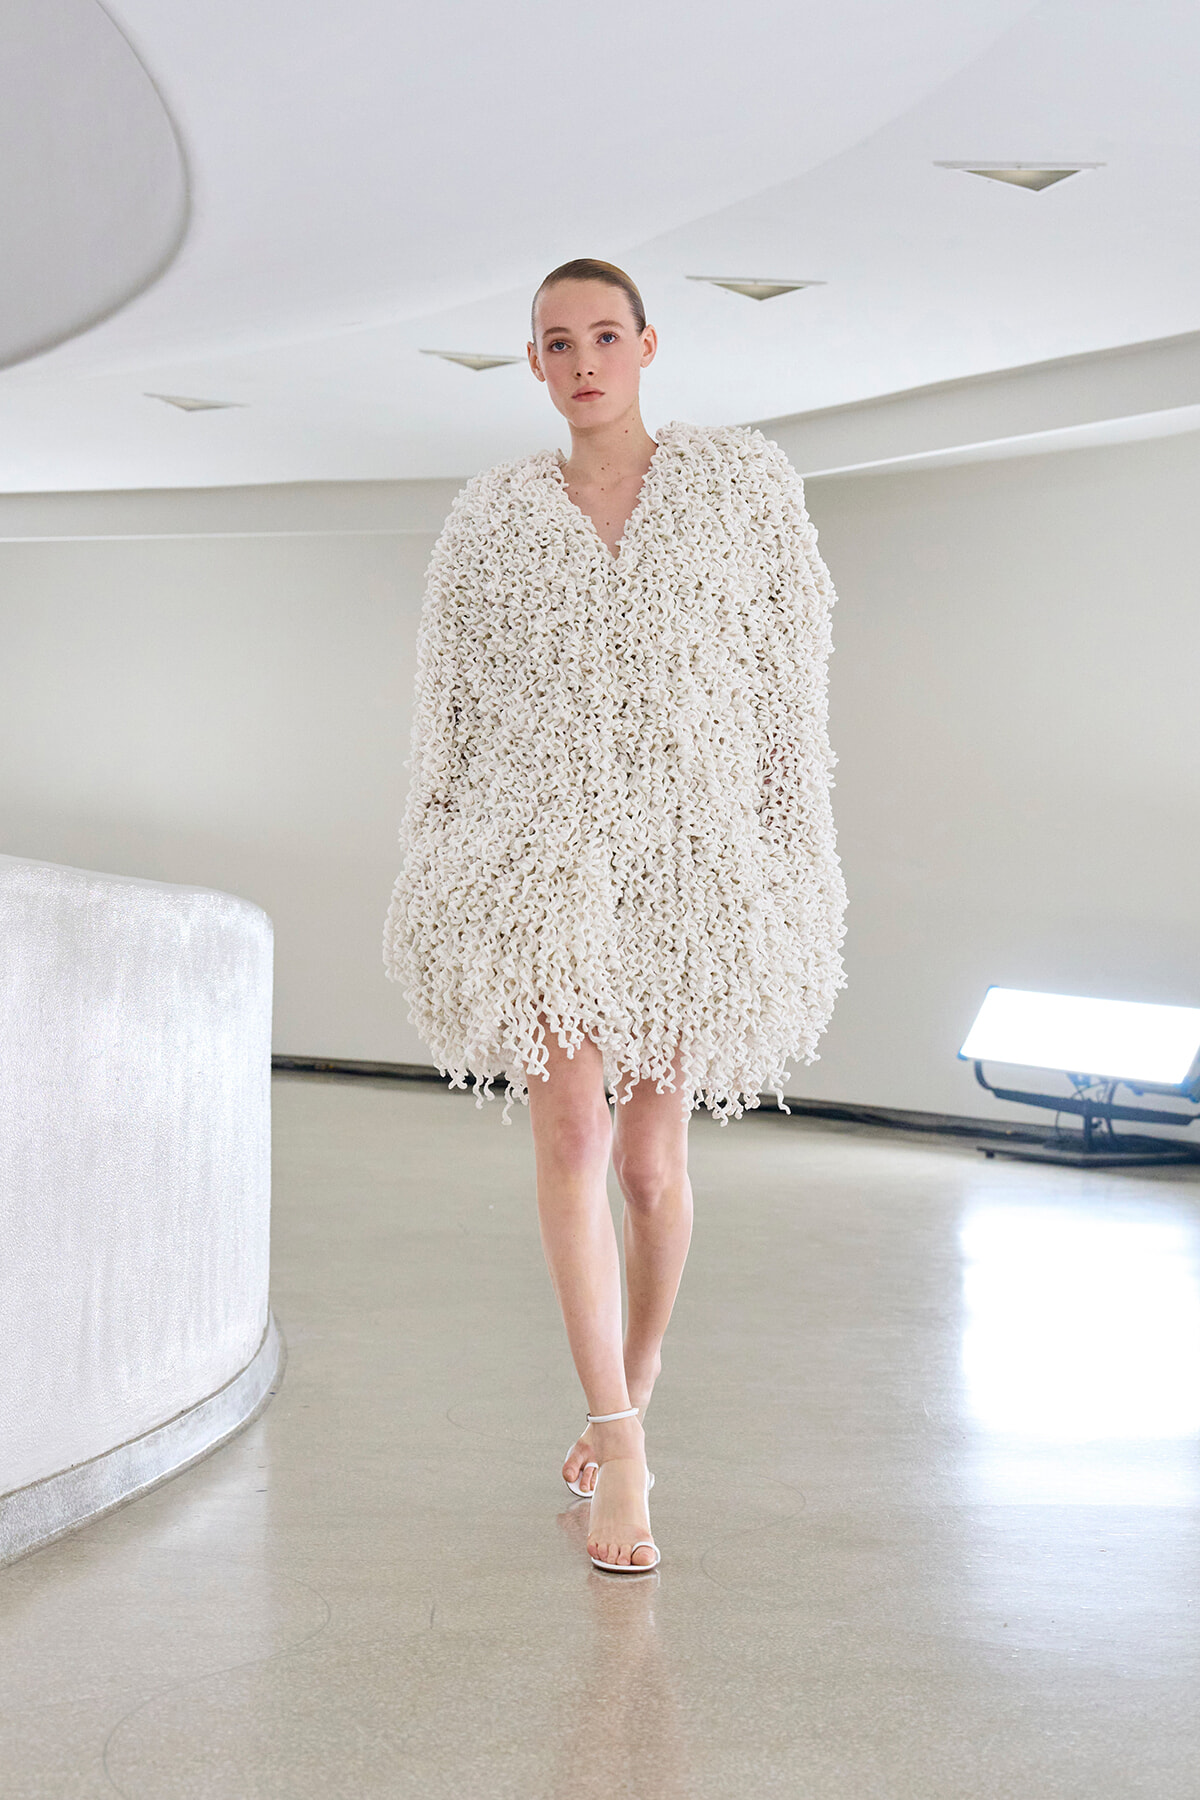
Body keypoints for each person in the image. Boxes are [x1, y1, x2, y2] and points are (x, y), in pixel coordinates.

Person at [384, 258, 846, 1571]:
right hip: (528, 856)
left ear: (646, 345)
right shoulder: (491, 520)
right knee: (573, 1130)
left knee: (651, 1170)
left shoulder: (740, 497)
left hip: (684, 866)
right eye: (554, 341)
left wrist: (781, 866)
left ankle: (630, 1390)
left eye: (603, 335)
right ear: (532, 364)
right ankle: (622, 1452)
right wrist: (435, 853)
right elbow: (451, 707)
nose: (581, 359)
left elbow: (781, 703)